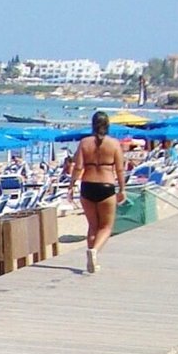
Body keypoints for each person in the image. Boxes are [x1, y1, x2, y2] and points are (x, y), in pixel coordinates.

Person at [66, 110, 127, 273]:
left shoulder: (84, 142)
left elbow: (78, 167)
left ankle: (91, 261)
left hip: (87, 185)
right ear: (107, 126)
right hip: (106, 186)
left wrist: (71, 186)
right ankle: (94, 252)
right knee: (106, 227)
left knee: (93, 225)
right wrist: (122, 189)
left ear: (93, 125)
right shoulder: (114, 144)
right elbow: (120, 170)